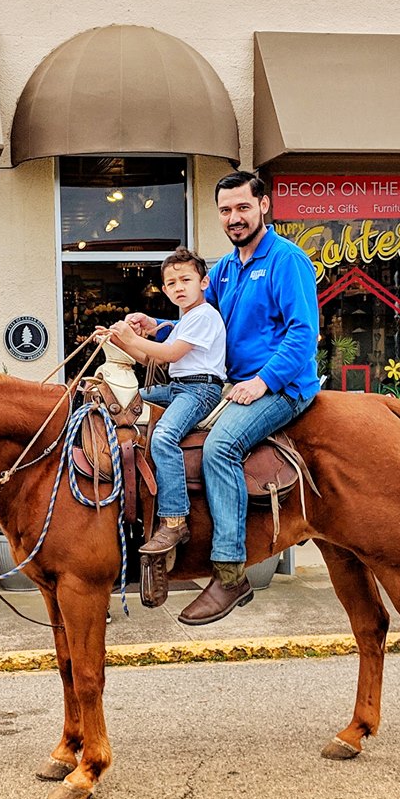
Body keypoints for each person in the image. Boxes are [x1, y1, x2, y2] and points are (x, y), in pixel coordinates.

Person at [126, 171, 320, 625]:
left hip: (281, 386)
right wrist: (158, 327)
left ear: (264, 206)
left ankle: (230, 573)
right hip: (231, 383)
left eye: (243, 208)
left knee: (220, 447)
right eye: (226, 210)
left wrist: (264, 381)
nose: (234, 218)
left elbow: (302, 335)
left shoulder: (287, 261)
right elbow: (206, 325)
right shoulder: (227, 268)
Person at [103, 247, 226, 556]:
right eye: (171, 283)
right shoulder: (184, 320)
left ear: (204, 283)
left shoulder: (205, 316)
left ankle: (174, 518)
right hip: (177, 387)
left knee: (164, 436)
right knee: (123, 404)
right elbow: (148, 357)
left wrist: (131, 339)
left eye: (186, 279)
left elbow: (170, 355)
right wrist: (117, 340)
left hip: (200, 391)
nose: (178, 287)